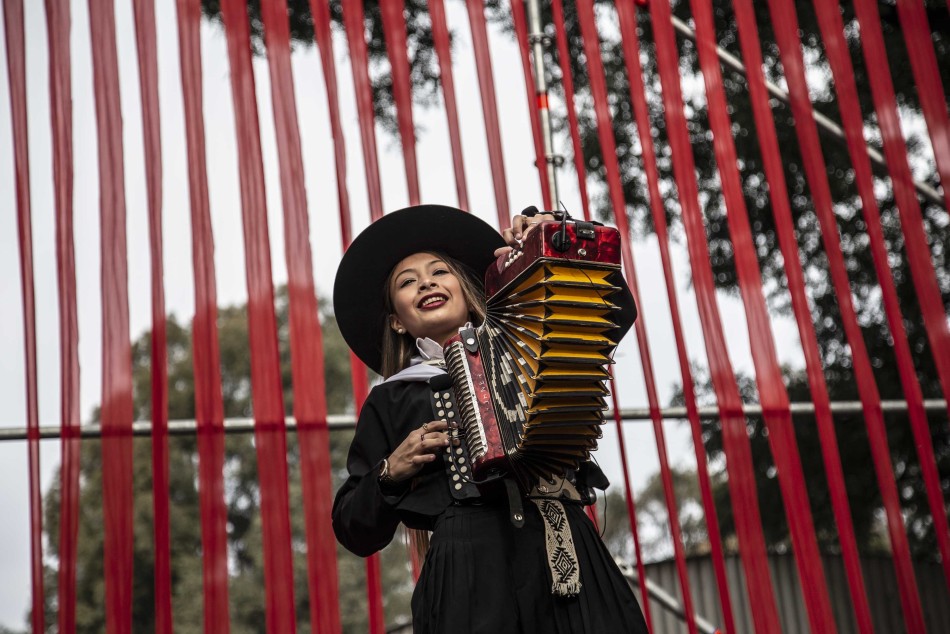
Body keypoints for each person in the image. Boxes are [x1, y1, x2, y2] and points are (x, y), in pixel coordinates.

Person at [332, 204, 648, 633]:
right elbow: (353, 527)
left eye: (439, 272)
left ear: (468, 291)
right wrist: (390, 472)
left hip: (566, 544)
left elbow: (612, 312)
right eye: (407, 282)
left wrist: (560, 237)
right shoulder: (392, 398)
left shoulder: (535, 342)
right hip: (469, 571)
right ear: (397, 322)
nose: (426, 282)